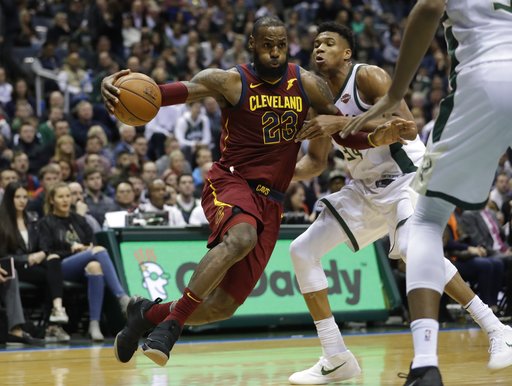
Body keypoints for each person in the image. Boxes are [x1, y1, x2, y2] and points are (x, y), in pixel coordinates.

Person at [102, 16, 410, 367]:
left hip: (272, 201)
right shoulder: (229, 81)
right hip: (231, 182)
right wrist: (113, 87)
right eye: (267, 45)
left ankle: (145, 315)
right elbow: (162, 94)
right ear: (252, 44)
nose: (275, 52)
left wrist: (374, 136)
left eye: (281, 45)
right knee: (241, 237)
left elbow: (339, 131)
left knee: (221, 307)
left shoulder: (308, 85)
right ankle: (172, 325)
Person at [287, 21, 512, 385]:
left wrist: (341, 123)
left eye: (328, 43)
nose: (319, 48)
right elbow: (315, 162)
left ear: (346, 53)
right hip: (365, 189)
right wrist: (272, 175)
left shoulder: (368, 77)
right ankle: (336, 356)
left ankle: (496, 327)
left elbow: (407, 126)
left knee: (411, 247)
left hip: (407, 178)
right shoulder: (316, 99)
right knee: (301, 251)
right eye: (315, 44)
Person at [38, 182, 130, 341]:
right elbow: (47, 250)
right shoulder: (46, 222)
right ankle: (122, 297)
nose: (65, 200)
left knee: (95, 267)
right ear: (52, 200)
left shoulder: (79, 220)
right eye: (60, 197)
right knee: (99, 251)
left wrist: (84, 249)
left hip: (84, 265)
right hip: (60, 267)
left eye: (68, 196)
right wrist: (72, 249)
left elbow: (92, 242)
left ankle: (94, 324)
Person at [0, 182, 70, 342]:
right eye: (17, 197)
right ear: (9, 199)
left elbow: (44, 243)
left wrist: (43, 253)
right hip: (13, 266)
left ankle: (54, 319)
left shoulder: (32, 218)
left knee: (53, 264)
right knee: (50, 274)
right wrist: (27, 258)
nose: (22, 201)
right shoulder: (2, 222)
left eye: (25, 197)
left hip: (33, 266)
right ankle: (24, 328)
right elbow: (3, 254)